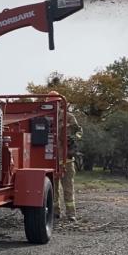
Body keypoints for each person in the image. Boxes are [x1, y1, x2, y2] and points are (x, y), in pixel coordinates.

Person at [49, 91, 83, 222]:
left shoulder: (68, 117)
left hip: (67, 160)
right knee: (53, 188)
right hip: (50, 161)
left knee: (68, 187)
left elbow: (79, 131)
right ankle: (55, 212)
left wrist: (74, 138)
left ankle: (71, 214)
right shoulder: (44, 117)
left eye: (55, 102)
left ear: (60, 103)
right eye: (50, 103)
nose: (53, 105)